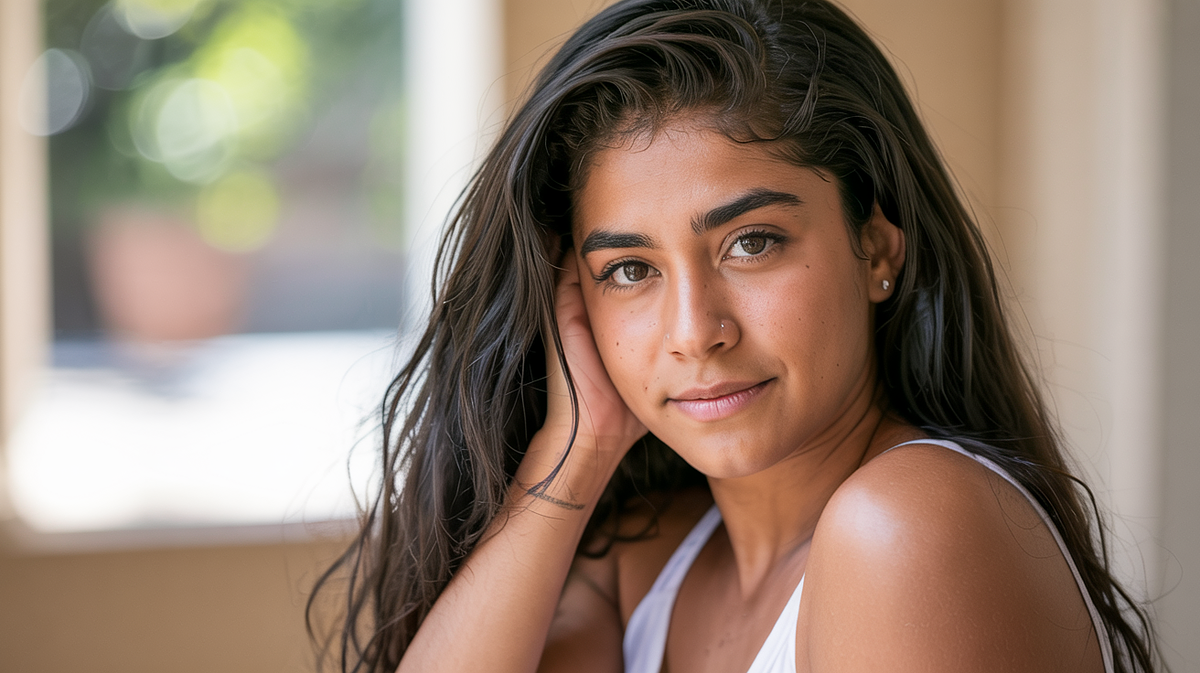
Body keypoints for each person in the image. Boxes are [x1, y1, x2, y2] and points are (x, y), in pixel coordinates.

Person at [309, 1, 1159, 671]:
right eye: (630, 270)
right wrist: (575, 453)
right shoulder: (648, 564)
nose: (694, 332)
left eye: (751, 243)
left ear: (876, 247)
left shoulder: (903, 526)